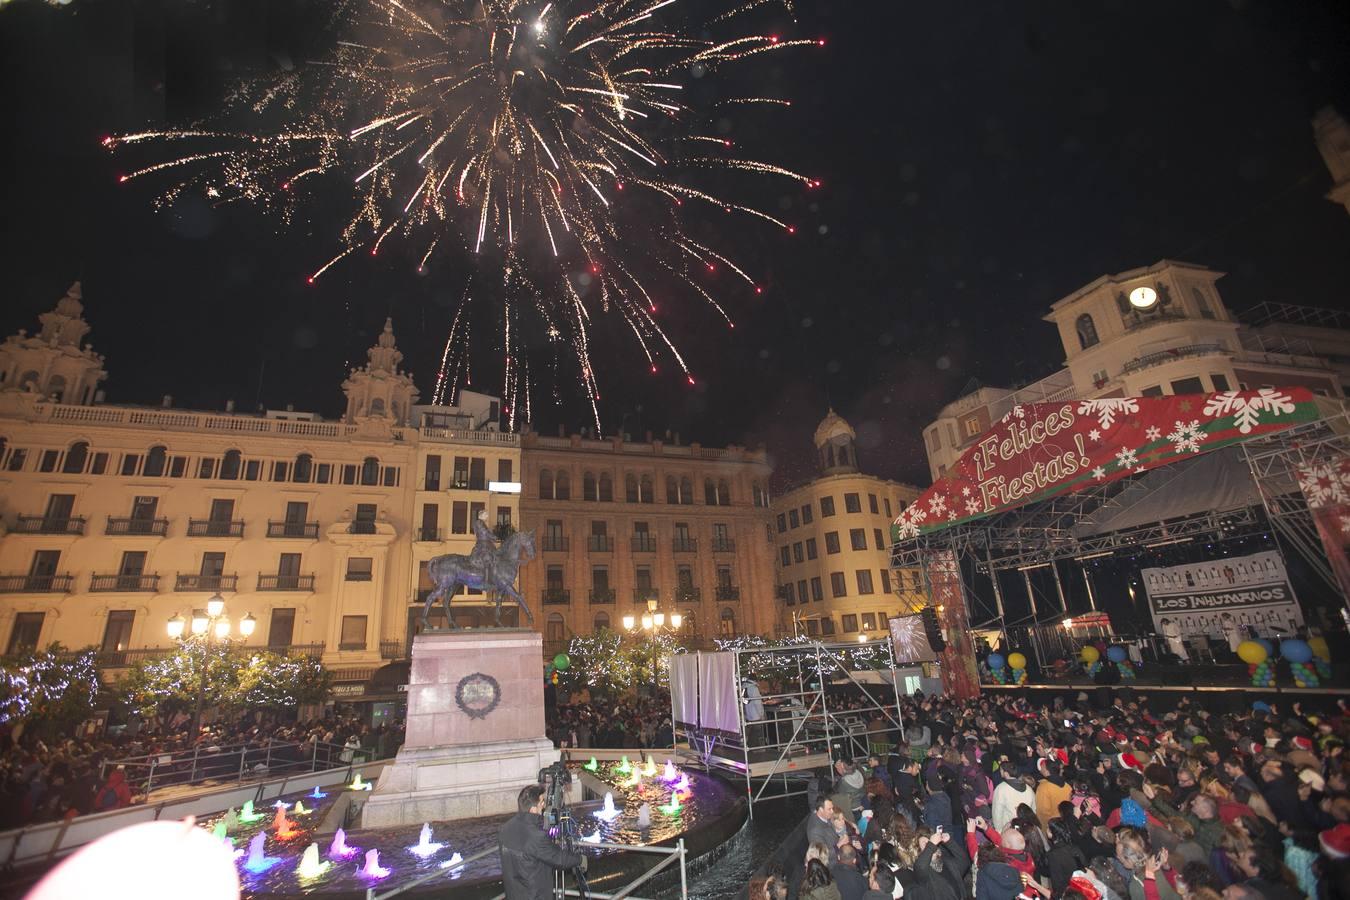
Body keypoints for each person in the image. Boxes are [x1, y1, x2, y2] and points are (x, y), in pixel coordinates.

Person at [499, 784, 585, 900]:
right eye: (542, 802)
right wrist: (580, 859)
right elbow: (559, 859)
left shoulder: (505, 828)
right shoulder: (536, 836)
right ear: (533, 809)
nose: (544, 805)